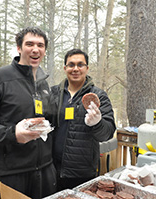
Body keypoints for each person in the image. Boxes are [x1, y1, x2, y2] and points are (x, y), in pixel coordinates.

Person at [0, 27, 56, 199]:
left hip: (44, 171)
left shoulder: (44, 84)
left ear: (45, 50)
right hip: (10, 174)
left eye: (40, 45)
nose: (35, 49)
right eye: (29, 44)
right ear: (19, 48)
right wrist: (12, 133)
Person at [50, 48, 116, 191]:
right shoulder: (53, 93)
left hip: (81, 172)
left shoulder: (99, 96)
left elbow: (107, 133)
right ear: (65, 68)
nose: (75, 69)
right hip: (52, 169)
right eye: (71, 65)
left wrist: (98, 123)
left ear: (87, 68)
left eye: (80, 65)